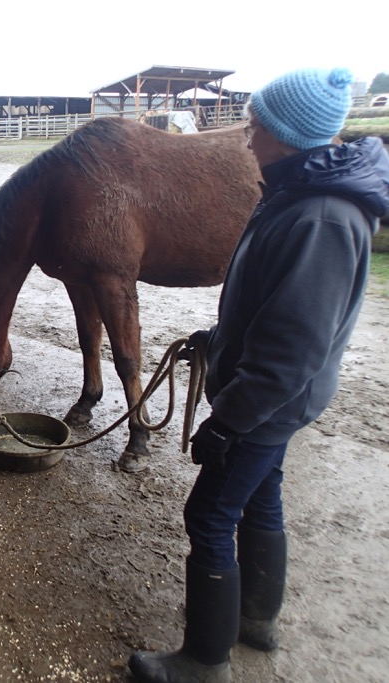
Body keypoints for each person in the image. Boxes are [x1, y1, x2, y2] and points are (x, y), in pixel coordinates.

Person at [128, 67, 389, 682]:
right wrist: (215, 341)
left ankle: (204, 661)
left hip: (267, 403)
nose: (247, 136)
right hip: (272, 399)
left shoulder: (320, 218)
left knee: (210, 515)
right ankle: (256, 620)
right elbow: (266, 310)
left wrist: (229, 422)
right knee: (260, 496)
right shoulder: (295, 197)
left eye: (258, 125)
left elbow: (292, 348)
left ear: (289, 134)